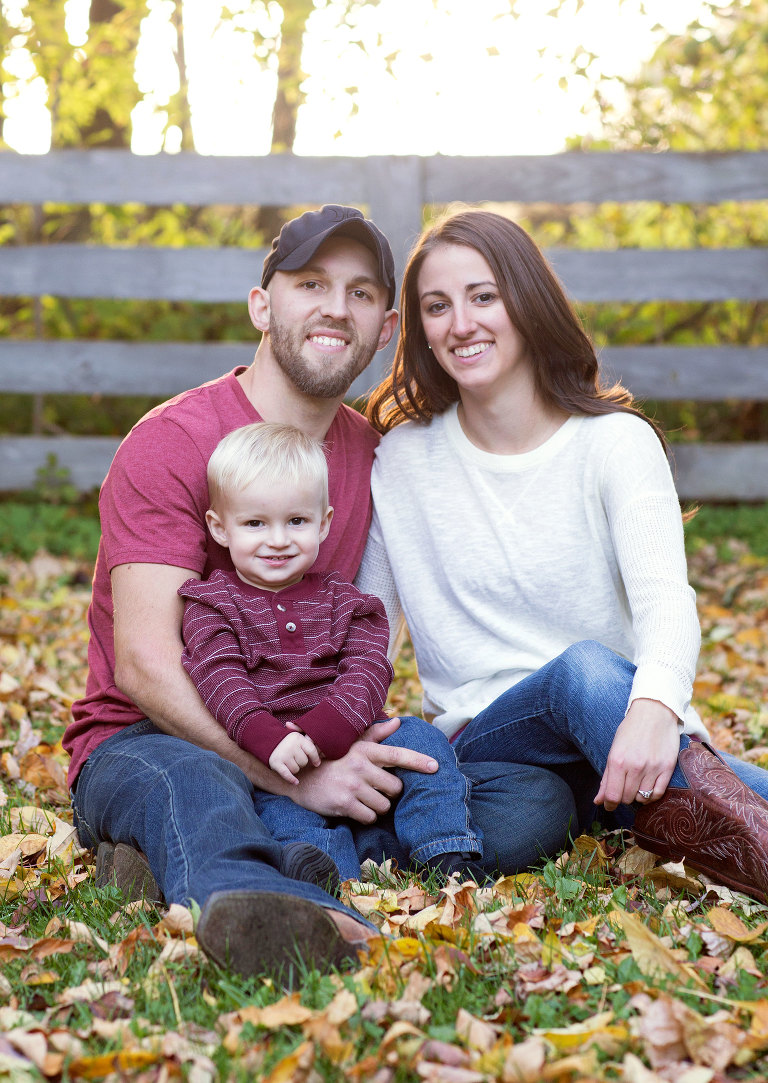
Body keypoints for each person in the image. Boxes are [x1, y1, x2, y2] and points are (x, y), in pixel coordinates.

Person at [64, 205, 568, 981]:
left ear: (386, 327)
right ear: (261, 305)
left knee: (527, 799)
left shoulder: (375, 456)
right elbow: (144, 664)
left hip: (314, 732)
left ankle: (171, 857)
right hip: (148, 738)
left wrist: (341, 751)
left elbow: (375, 629)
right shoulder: (173, 441)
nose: (336, 307)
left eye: (361, 293)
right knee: (196, 782)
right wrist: (299, 776)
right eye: (310, 284)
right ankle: (286, 909)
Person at [358, 208, 768, 904]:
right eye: (437, 305)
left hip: (618, 729)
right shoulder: (402, 460)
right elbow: (369, 627)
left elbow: (666, 601)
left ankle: (615, 810)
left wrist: (654, 709)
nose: (461, 323)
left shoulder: (615, 442)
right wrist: (345, 739)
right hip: (491, 741)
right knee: (579, 672)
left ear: (526, 300)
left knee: (540, 814)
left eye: (483, 296)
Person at [179, 420, 485, 882]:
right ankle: (332, 878)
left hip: (353, 730)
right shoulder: (212, 605)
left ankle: (445, 853)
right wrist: (272, 740)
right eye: (255, 523)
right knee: (278, 814)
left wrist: (325, 732)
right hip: (274, 758)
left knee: (424, 742)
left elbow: (368, 670)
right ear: (220, 529)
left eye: (296, 521)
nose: (278, 539)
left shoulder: (346, 601)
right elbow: (221, 680)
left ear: (323, 523)